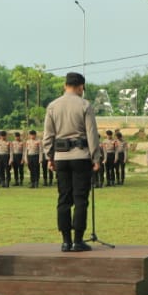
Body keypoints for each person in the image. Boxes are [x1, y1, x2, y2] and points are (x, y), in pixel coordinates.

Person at [43, 72, 101, 252]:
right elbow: (91, 134)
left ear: (65, 85)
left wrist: (49, 156)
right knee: (80, 199)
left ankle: (65, 241)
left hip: (61, 157)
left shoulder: (52, 106)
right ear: (81, 87)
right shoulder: (84, 105)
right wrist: (96, 158)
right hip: (81, 156)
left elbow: (48, 135)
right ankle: (78, 240)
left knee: (64, 199)